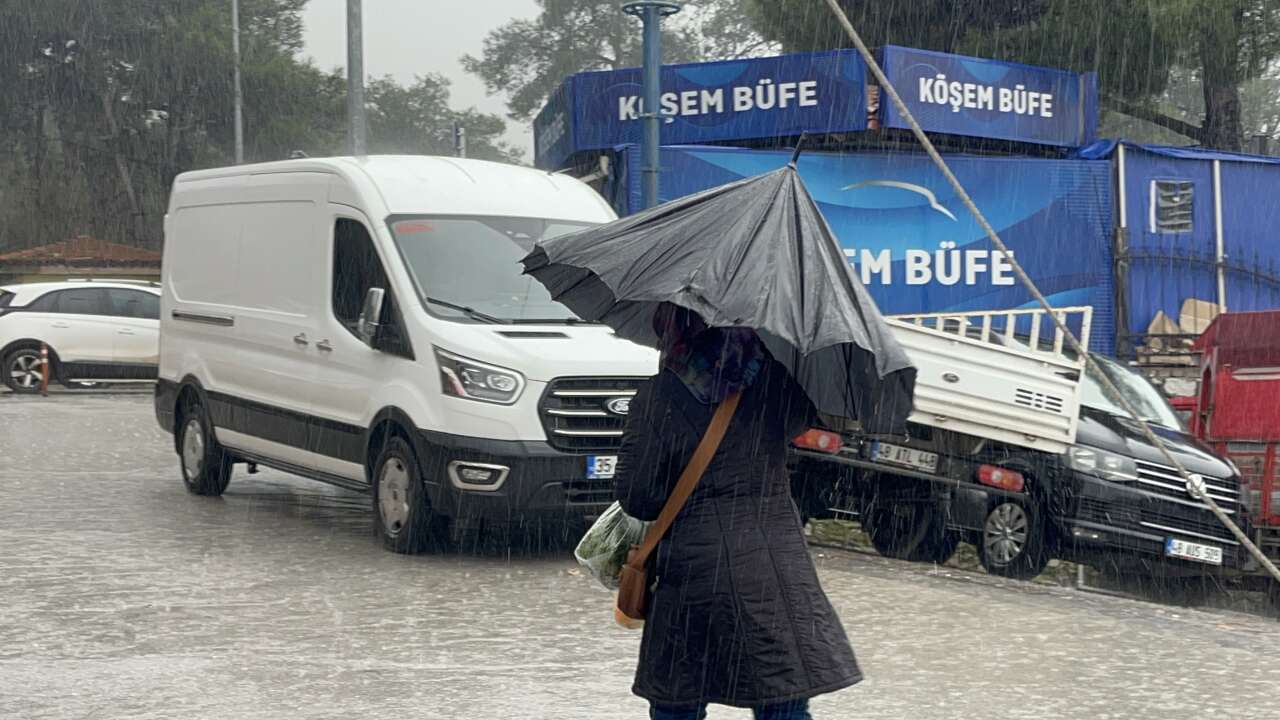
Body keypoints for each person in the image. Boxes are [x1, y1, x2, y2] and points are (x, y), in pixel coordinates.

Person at [614, 304, 862, 720]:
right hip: (775, 569)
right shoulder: (777, 383)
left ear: (674, 330)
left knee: (678, 699)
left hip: (694, 576)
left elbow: (639, 498)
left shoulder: (660, 396)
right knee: (781, 697)